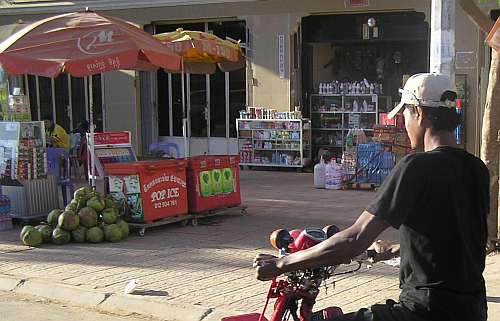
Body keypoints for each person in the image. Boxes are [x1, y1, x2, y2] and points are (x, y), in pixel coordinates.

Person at [254, 73, 489, 321]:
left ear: (418, 113)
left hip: (422, 311)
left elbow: (353, 240)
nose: (404, 122)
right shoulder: (476, 168)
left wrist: (281, 264)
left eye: (405, 115)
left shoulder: (415, 167)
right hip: (471, 309)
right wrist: (398, 249)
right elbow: (458, 236)